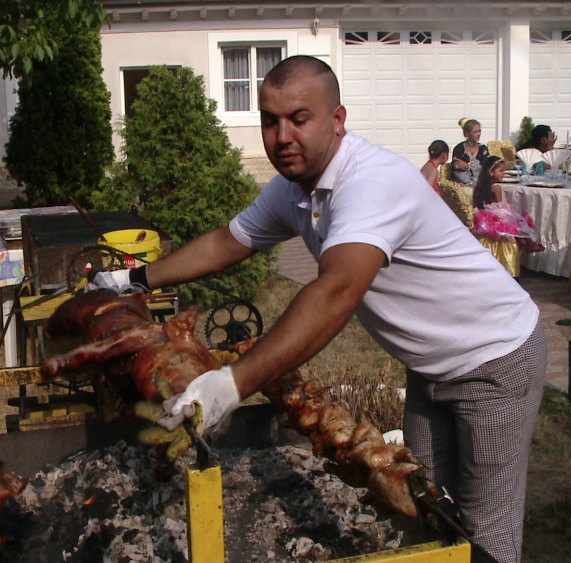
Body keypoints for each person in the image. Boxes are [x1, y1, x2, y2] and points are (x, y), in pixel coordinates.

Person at [97, 55, 545, 563]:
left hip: (494, 358)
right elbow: (227, 241)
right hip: (429, 366)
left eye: (299, 118)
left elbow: (334, 293)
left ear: (337, 120)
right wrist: (132, 279)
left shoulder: (369, 183)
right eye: (270, 121)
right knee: (426, 514)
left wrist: (232, 383)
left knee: (483, 538)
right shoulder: (293, 189)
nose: (282, 135)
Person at [472, 156, 545, 254]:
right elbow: (500, 206)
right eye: (501, 171)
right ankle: (529, 242)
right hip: (494, 214)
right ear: (491, 172)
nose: (504, 173)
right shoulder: (496, 188)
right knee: (518, 220)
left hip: (482, 214)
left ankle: (522, 241)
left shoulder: (479, 186)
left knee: (515, 217)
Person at [451, 118, 489, 187]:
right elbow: (456, 168)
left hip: (480, 183)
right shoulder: (459, 149)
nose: (479, 134)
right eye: (475, 132)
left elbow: (486, 168)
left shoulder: (483, 149)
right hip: (463, 184)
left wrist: (467, 166)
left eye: (479, 131)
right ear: (467, 133)